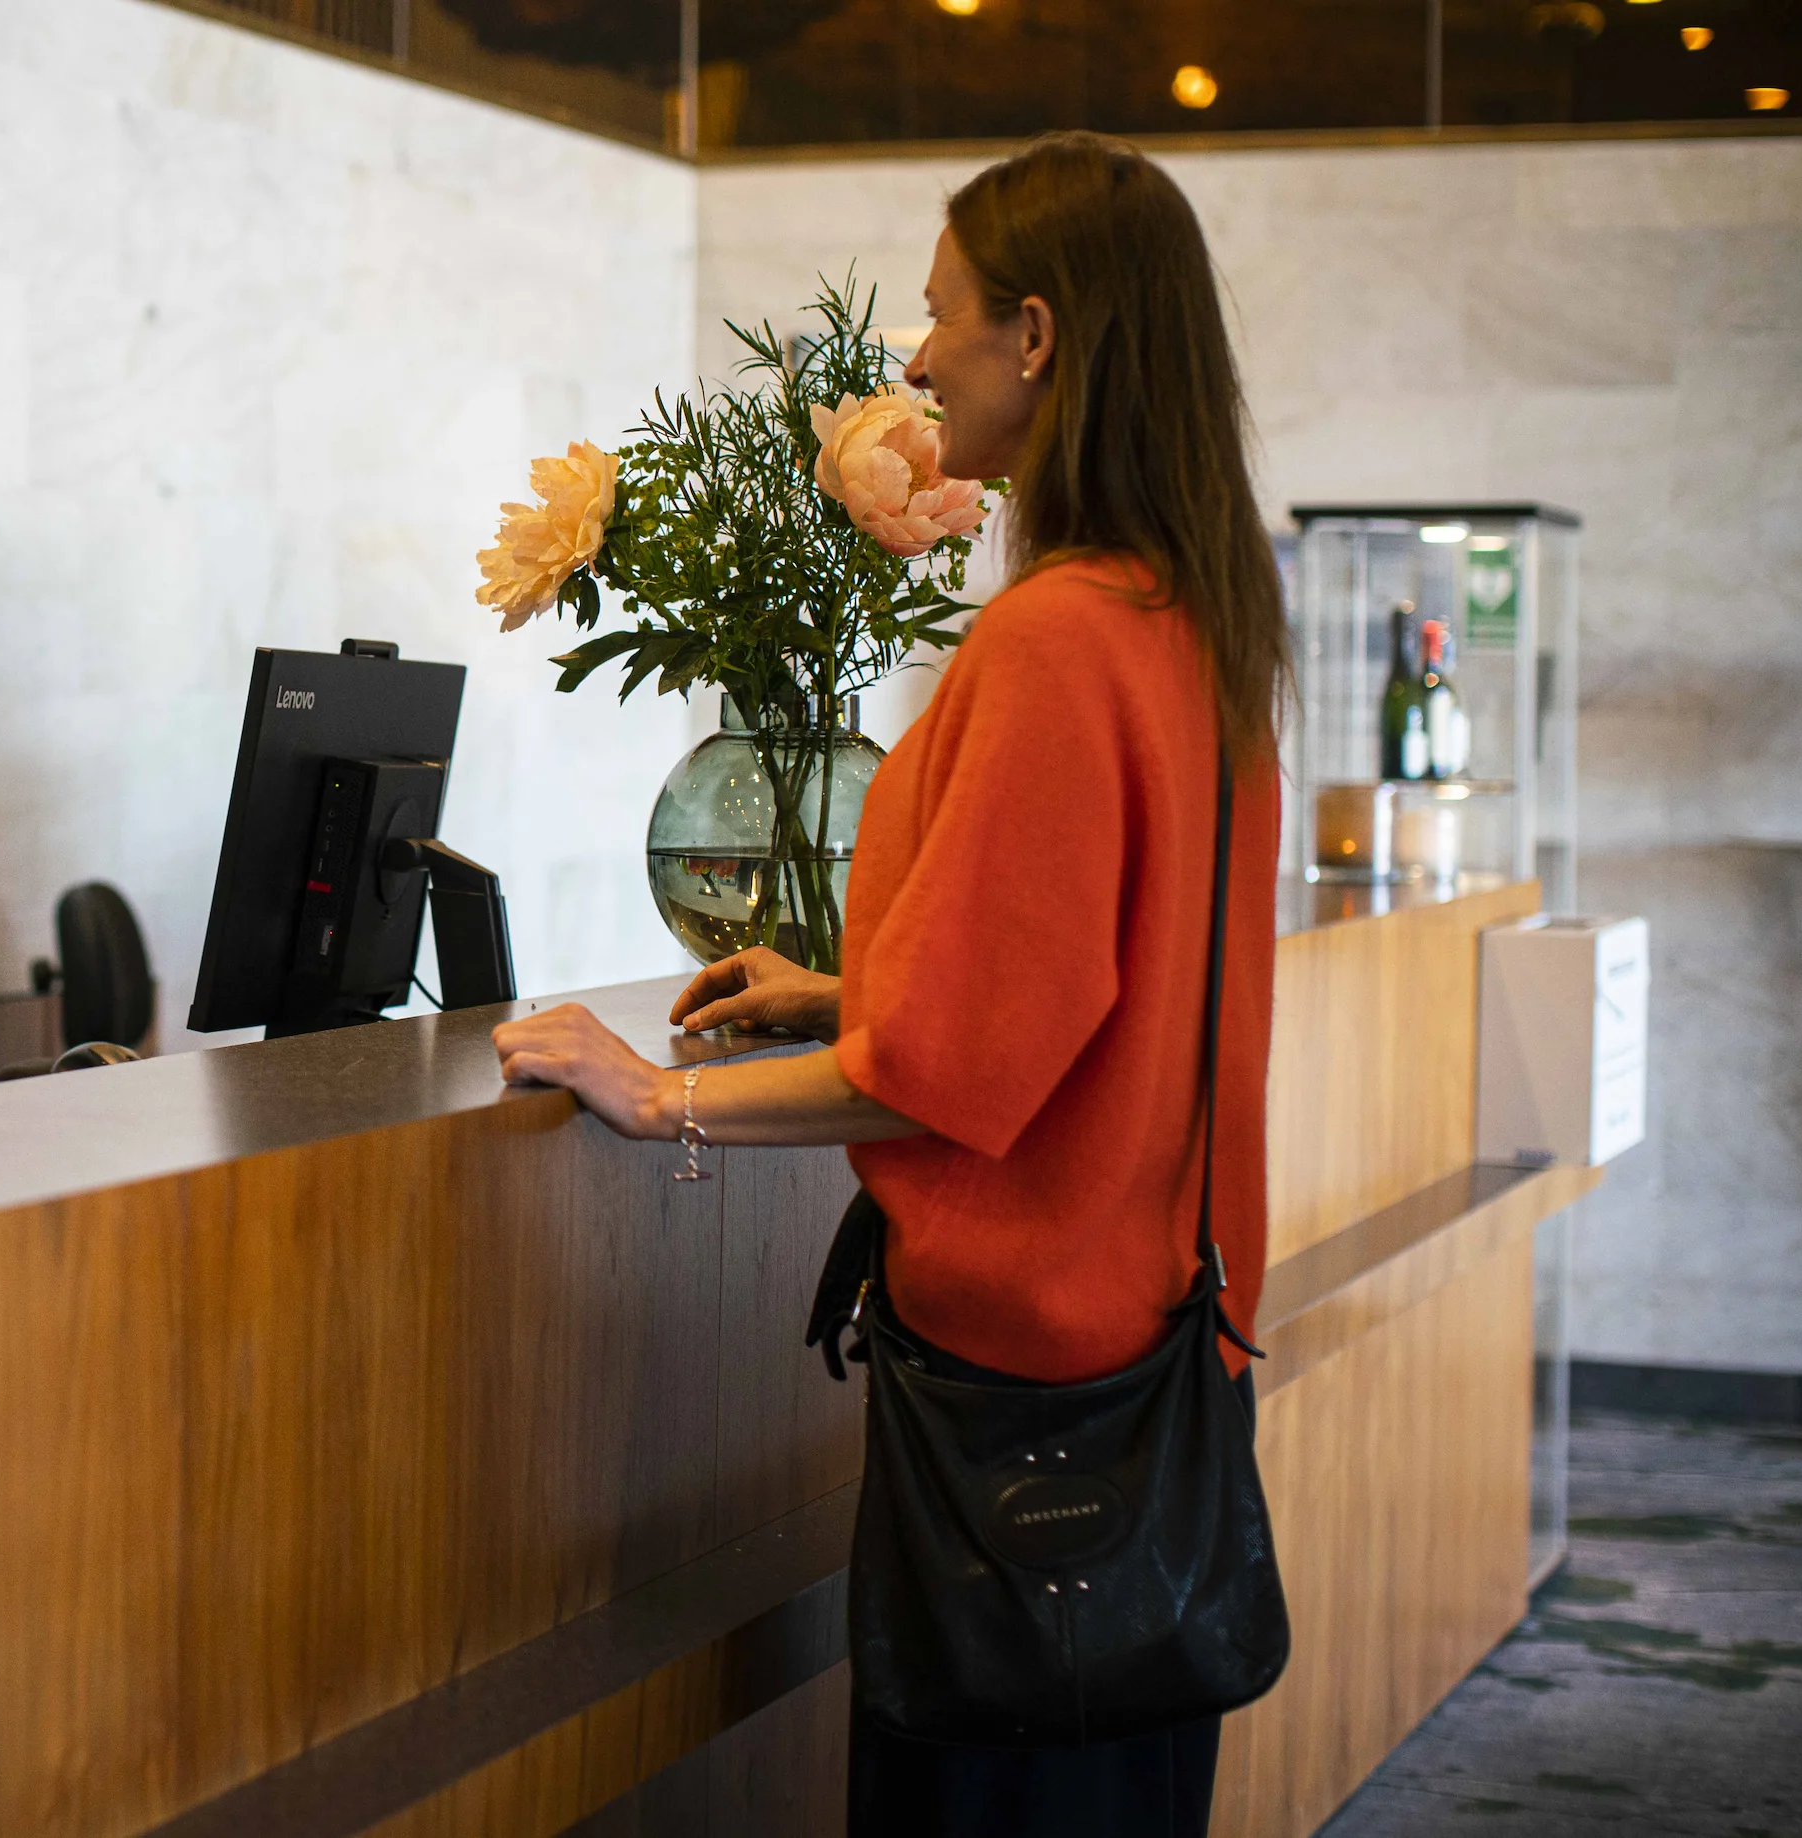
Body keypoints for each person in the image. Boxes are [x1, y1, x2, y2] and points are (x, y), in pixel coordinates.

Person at [490, 132, 1286, 1838]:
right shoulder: (1191, 619)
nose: (914, 359)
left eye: (941, 313)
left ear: (1037, 334)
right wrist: (847, 986)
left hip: (1025, 1414)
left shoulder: (1054, 638)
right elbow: (1093, 987)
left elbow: (950, 1076)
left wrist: (654, 1094)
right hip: (1154, 1363)